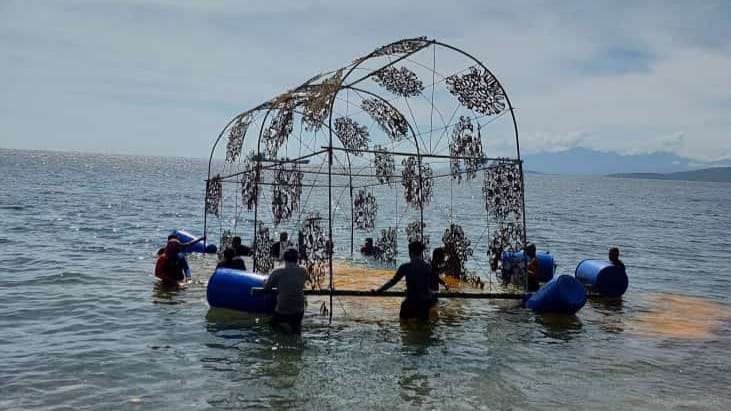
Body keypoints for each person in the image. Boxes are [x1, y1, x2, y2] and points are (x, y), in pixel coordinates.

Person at [373, 241, 434, 320]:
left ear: (410, 253)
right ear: (421, 253)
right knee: (423, 329)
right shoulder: (427, 267)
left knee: (404, 328)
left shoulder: (406, 267)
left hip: (410, 302)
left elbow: (393, 282)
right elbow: (429, 287)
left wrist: (378, 290)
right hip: (423, 304)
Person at [263, 247, 306, 333]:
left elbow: (267, 288)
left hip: (283, 309)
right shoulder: (303, 270)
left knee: (272, 328)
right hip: (299, 310)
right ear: (297, 258)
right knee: (296, 332)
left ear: (284, 258)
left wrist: (265, 281)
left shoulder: (278, 271)